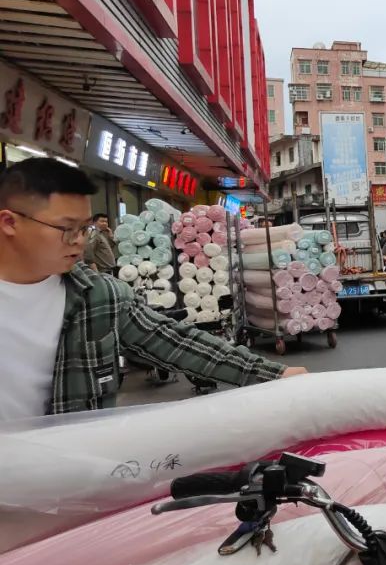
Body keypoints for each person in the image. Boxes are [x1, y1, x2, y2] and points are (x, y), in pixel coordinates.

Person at [0, 159, 306, 421]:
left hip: (64, 475)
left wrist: (272, 375)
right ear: (9, 222)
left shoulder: (98, 297)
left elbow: (175, 342)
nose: (79, 241)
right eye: (67, 229)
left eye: (85, 229)